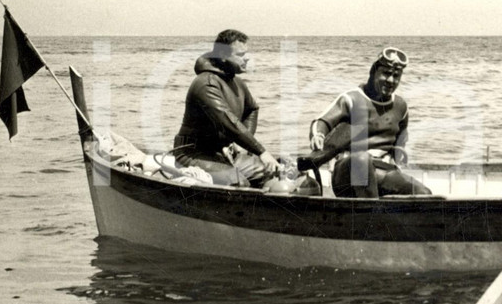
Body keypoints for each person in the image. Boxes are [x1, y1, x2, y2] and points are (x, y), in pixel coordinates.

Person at [308, 47, 432, 198]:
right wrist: (318, 135)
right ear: (373, 72)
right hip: (347, 173)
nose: (390, 80)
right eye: (386, 73)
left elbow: (401, 140)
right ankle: (371, 217)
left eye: (396, 76)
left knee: (423, 194)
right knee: (362, 159)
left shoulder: (401, 106)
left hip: (383, 171)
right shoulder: (351, 99)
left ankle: (384, 215)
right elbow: (321, 122)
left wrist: (400, 152)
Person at [173, 29, 282, 187]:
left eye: (246, 54)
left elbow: (252, 109)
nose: (247, 59)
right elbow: (228, 121)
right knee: (239, 183)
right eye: (240, 55)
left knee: (271, 175)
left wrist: (240, 145)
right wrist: (261, 152)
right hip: (193, 153)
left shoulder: (237, 82)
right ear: (223, 56)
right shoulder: (206, 83)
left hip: (223, 153)